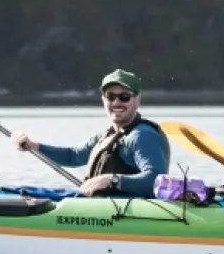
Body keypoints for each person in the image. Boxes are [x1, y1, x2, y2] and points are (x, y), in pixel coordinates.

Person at [10, 69, 171, 198]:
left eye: (124, 97)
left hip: (126, 212)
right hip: (103, 205)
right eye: (110, 96)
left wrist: (112, 180)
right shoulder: (108, 136)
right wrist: (34, 146)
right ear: (103, 100)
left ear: (137, 101)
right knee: (22, 192)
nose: (116, 102)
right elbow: (73, 156)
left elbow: (156, 180)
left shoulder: (142, 136)